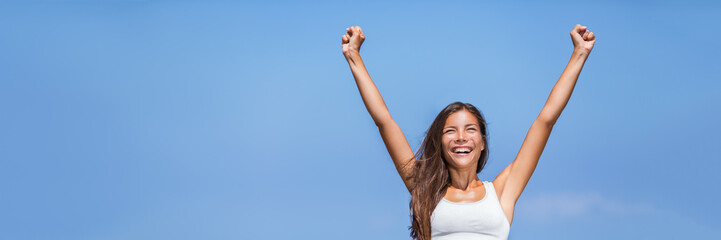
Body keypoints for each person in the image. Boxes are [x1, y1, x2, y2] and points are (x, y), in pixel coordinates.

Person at [341, 24, 596, 240]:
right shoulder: (424, 189)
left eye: (470, 129)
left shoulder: (502, 192)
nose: (461, 137)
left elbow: (545, 121)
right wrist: (354, 57)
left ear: (483, 142)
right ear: (439, 143)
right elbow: (384, 121)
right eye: (450, 131)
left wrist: (579, 54)